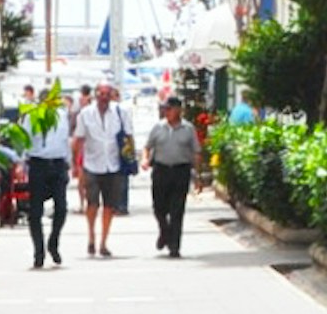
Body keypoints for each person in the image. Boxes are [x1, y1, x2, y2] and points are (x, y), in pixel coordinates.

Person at [79, 82, 136, 257]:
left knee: (110, 206)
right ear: (95, 95)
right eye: (101, 94)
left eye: (107, 94)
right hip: (92, 164)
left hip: (114, 165)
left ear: (111, 95)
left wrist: (131, 157)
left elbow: (129, 136)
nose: (104, 97)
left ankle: (103, 242)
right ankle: (91, 237)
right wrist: (77, 167)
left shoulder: (121, 112)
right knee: (92, 204)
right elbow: (79, 140)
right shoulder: (86, 114)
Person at [144, 95, 201, 257]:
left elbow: (196, 152)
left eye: (169, 109)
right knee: (159, 207)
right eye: (165, 109)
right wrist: (145, 159)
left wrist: (197, 175)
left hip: (180, 171)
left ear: (178, 110)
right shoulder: (158, 127)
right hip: (161, 170)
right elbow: (148, 147)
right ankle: (164, 231)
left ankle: (174, 245)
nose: (166, 112)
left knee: (177, 210)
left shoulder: (188, 129)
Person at [21, 85, 71, 270]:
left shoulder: (62, 116)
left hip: (58, 164)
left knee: (61, 208)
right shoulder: (32, 116)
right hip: (38, 164)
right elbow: (25, 140)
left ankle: (53, 242)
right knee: (35, 213)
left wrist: (69, 162)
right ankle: (38, 252)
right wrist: (21, 163)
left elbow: (66, 140)